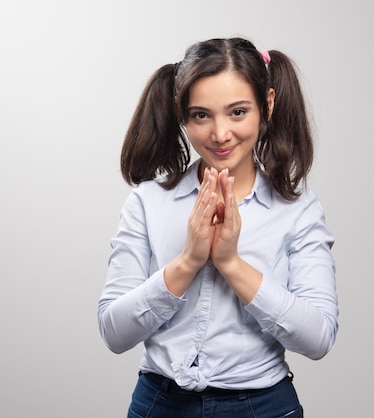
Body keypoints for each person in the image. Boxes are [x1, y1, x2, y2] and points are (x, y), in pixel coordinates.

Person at [97, 37, 338, 418]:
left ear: (267, 105)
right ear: (183, 117)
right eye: (201, 115)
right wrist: (189, 260)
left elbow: (319, 337)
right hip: (161, 404)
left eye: (238, 112)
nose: (220, 134)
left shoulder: (298, 211)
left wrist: (231, 263)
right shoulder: (148, 202)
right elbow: (114, 332)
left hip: (263, 407)